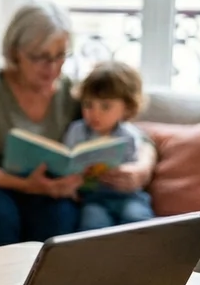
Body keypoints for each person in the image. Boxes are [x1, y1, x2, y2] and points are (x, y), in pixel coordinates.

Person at [0, 3, 96, 251]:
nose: (52, 67)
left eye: (60, 55)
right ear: (15, 53)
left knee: (60, 213)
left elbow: (127, 134)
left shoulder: (72, 93)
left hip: (43, 191)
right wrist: (27, 185)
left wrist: (141, 164)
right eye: (40, 57)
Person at [62, 61, 156, 231]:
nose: (95, 113)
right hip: (93, 199)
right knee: (92, 225)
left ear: (126, 108)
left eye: (105, 107)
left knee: (137, 220)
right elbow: (67, 164)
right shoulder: (76, 131)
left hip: (129, 197)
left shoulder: (130, 135)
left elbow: (137, 173)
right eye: (88, 105)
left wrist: (129, 173)